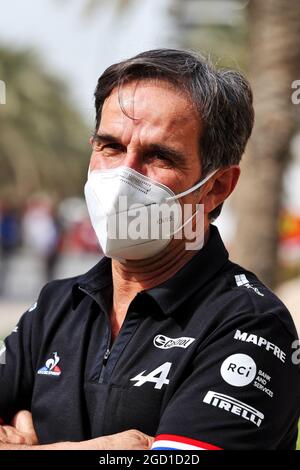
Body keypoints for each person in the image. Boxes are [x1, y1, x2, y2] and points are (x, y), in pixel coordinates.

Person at [0, 49, 299, 450]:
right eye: (110, 147)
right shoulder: (58, 305)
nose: (125, 177)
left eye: (159, 156)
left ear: (216, 187)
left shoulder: (249, 326)